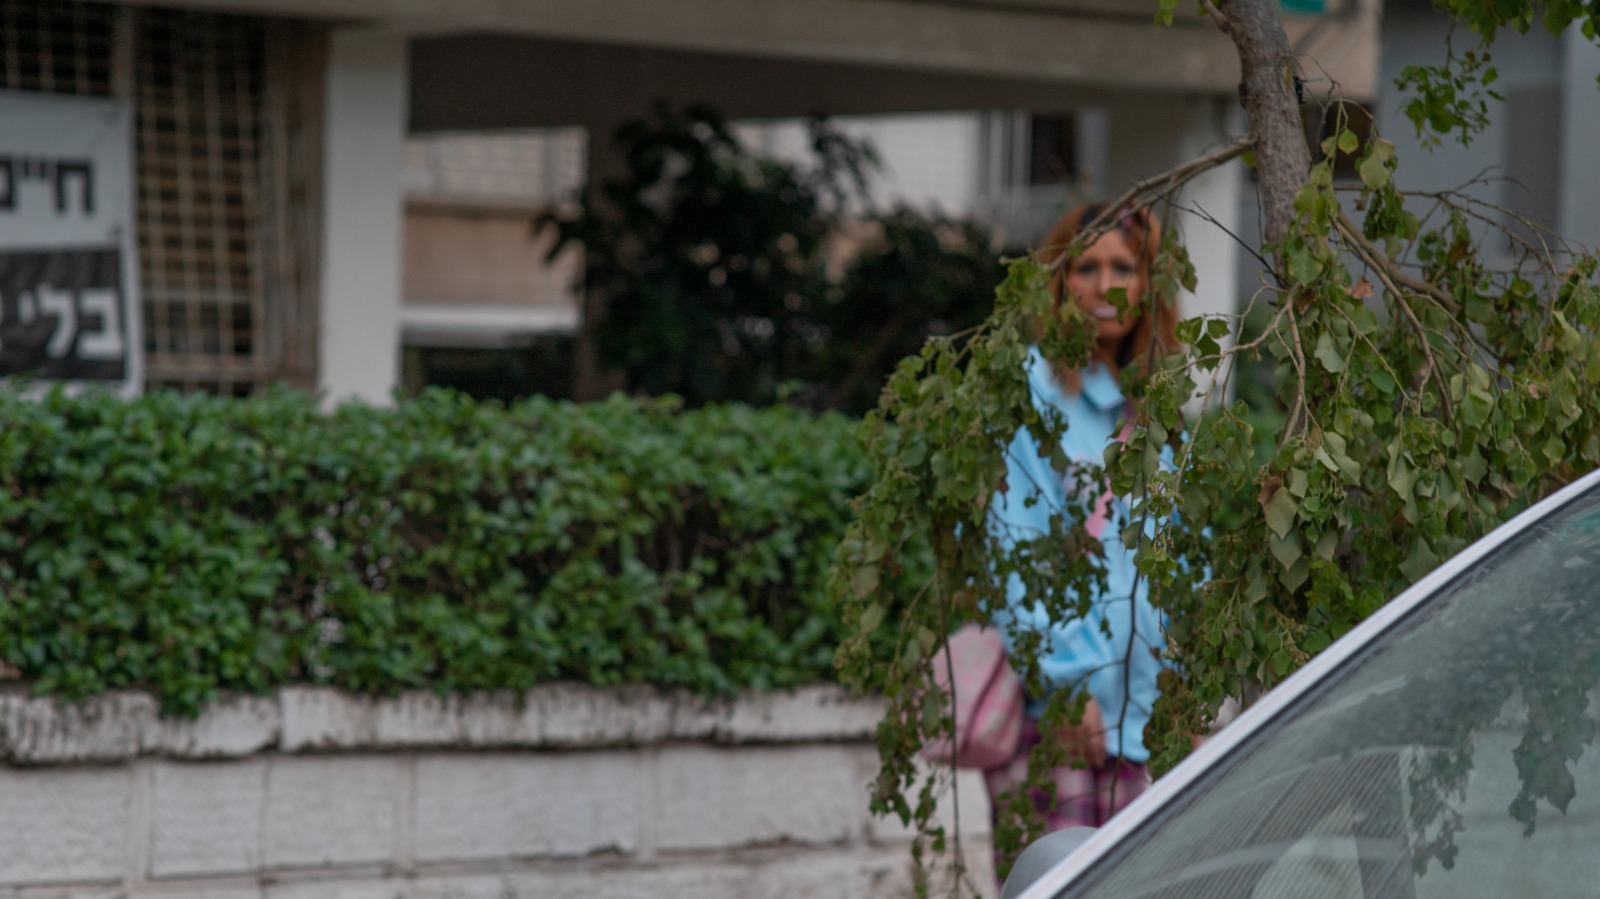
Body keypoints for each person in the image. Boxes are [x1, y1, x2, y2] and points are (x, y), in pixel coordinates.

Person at [984, 201, 1180, 839]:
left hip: (1146, 722)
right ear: (1059, 280)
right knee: (1054, 878)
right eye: (1085, 268)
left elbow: (1177, 559)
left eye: (1123, 268)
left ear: (1149, 283)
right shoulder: (1030, 391)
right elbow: (1014, 546)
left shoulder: (1152, 409)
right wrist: (1065, 685)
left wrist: (1185, 693)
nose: (1104, 288)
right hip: (1062, 718)